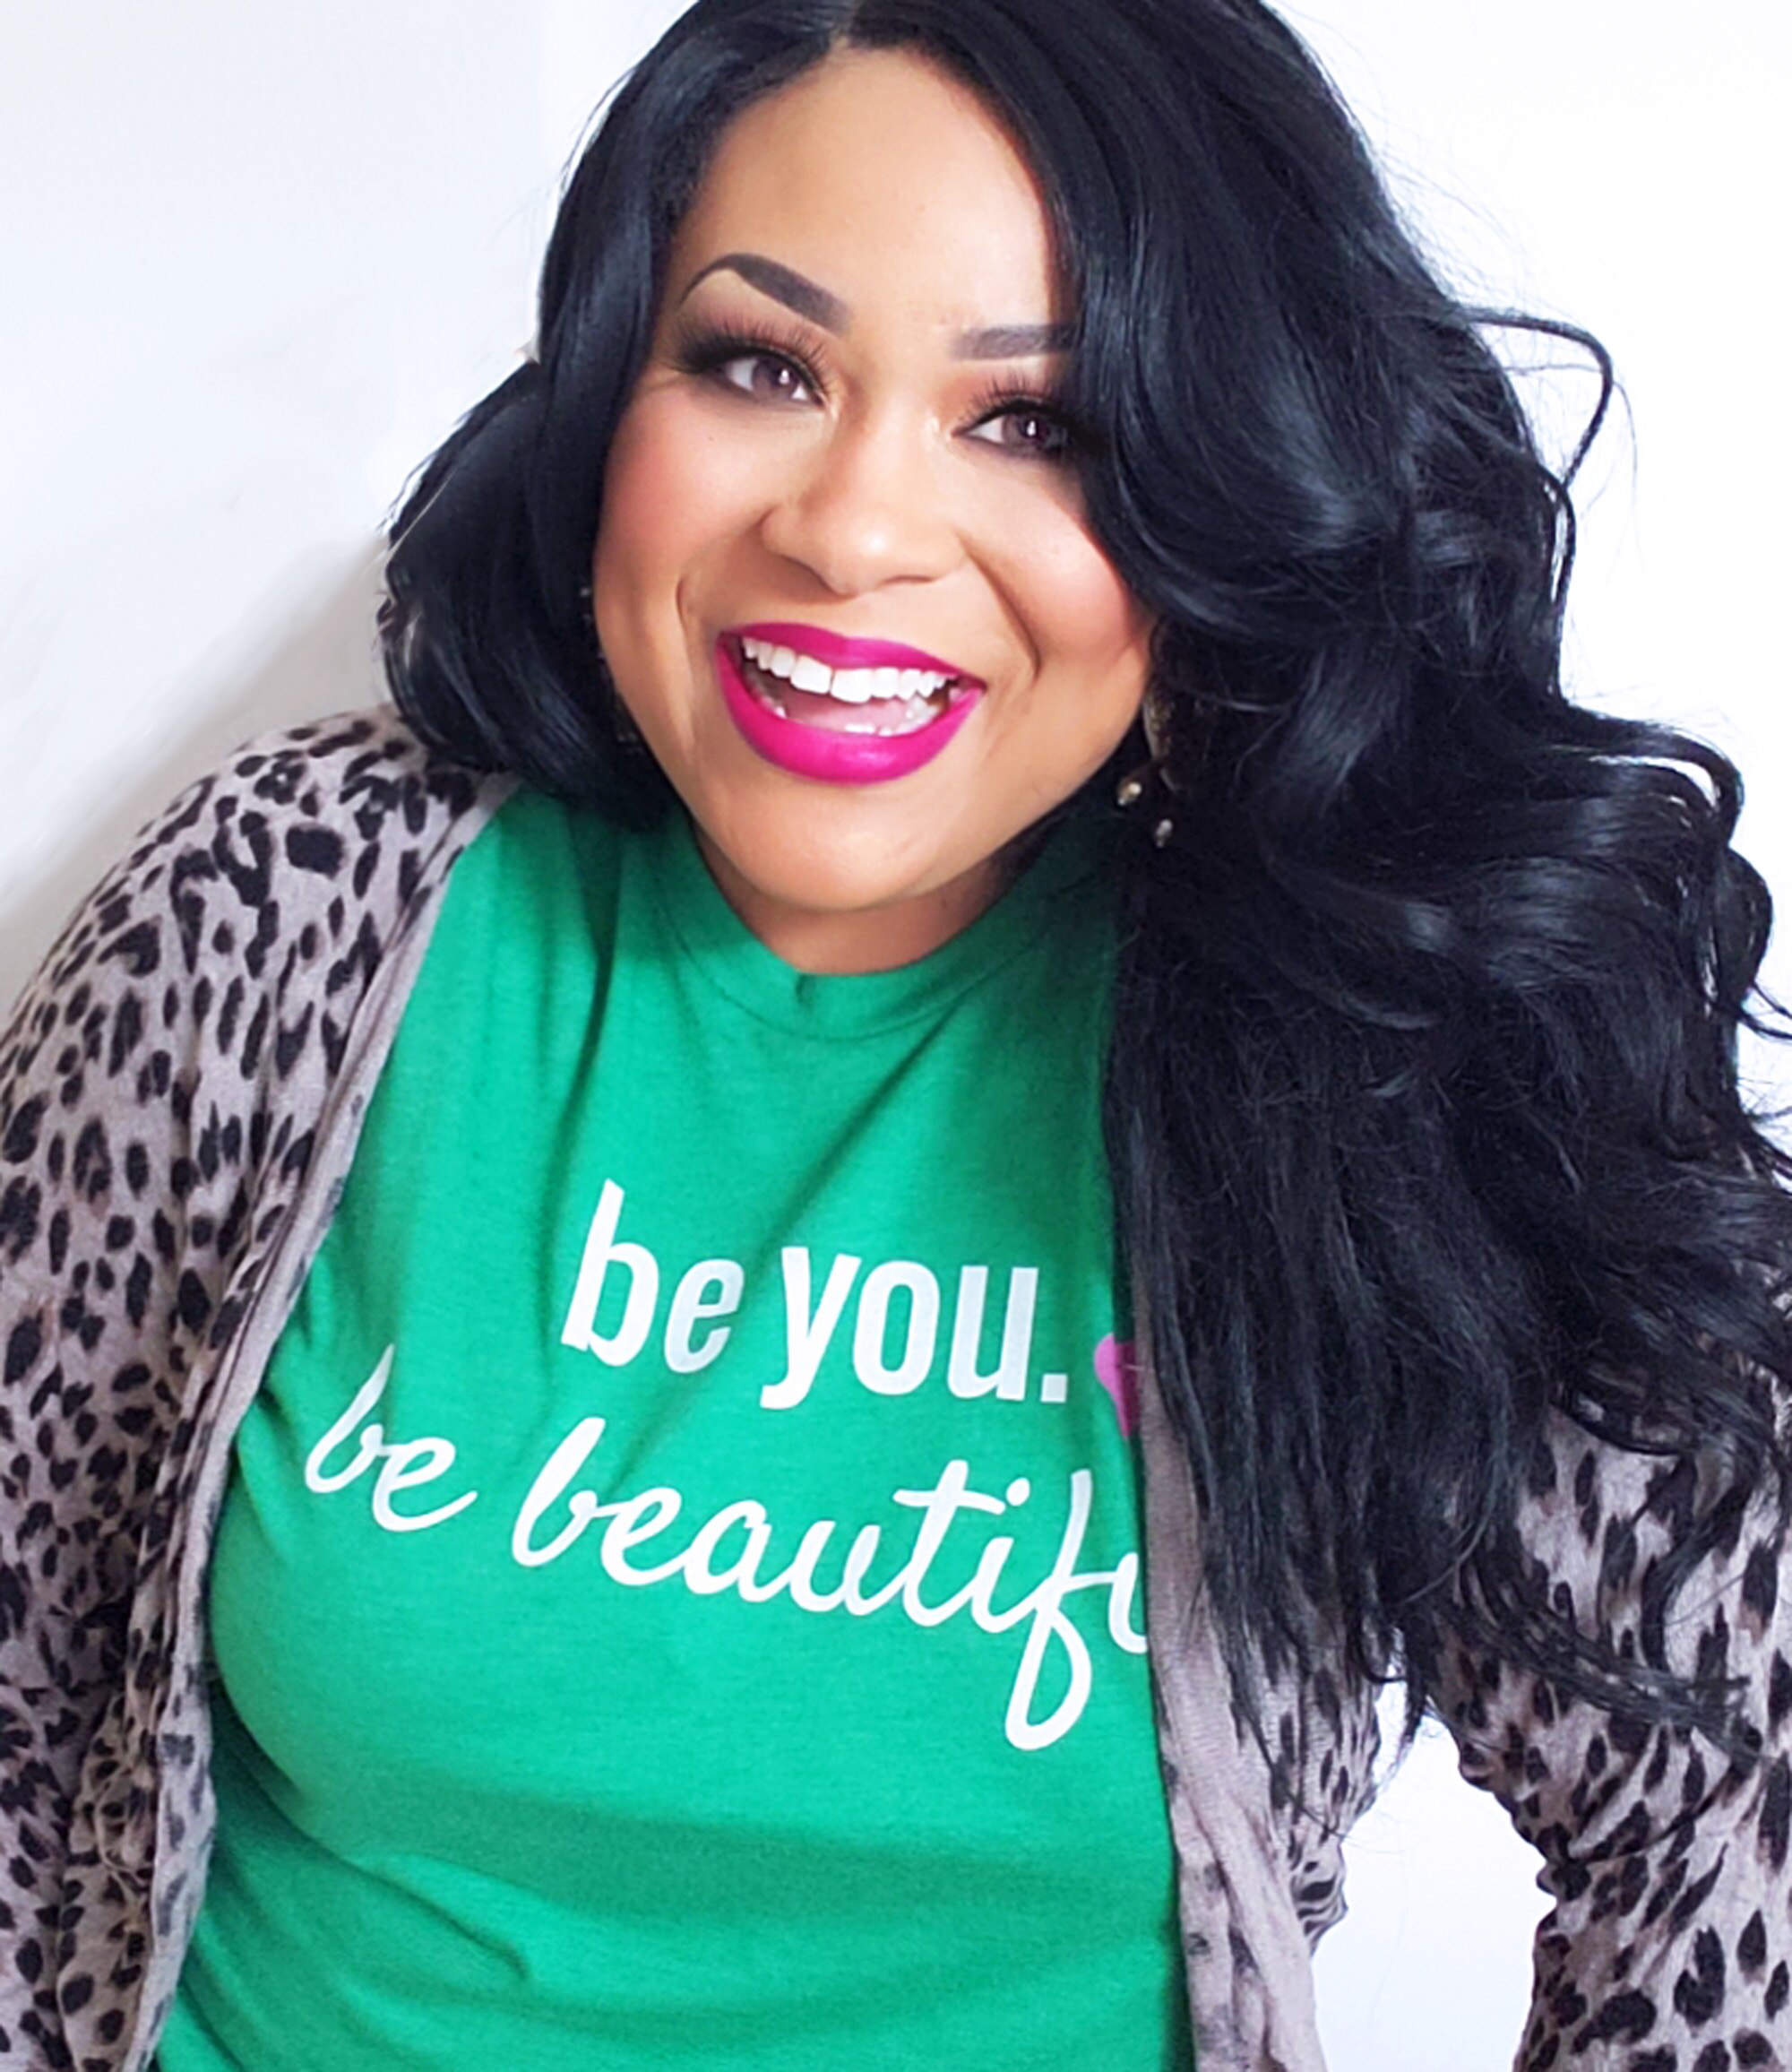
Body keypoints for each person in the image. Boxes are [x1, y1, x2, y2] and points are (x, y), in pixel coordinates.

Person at [2, 0, 1788, 2065]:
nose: (851, 530)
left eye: (1032, 422)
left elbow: (1727, 1788)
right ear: (610, 404)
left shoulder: (1366, 1031)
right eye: (761, 364)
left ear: (1217, 492)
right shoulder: (285, 913)